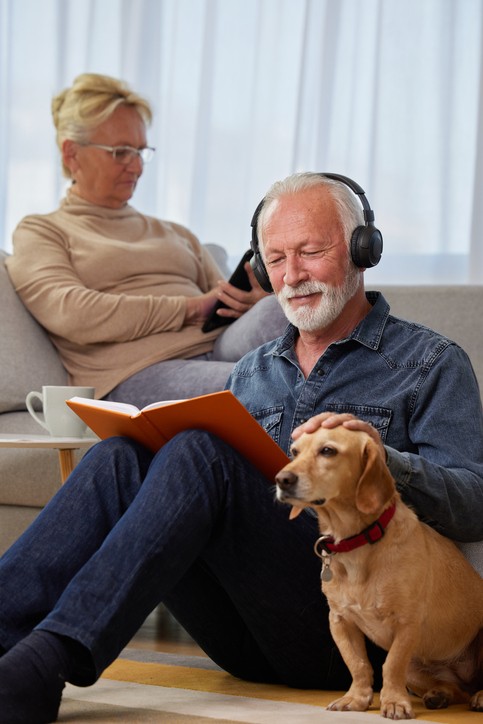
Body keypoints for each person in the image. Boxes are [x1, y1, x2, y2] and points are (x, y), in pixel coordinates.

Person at [1, 172, 483, 724]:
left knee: (200, 453)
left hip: (358, 632)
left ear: (361, 250)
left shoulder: (430, 364)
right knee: (119, 457)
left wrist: (384, 459)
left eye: (310, 252)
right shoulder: (253, 370)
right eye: (275, 259)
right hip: (247, 633)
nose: (292, 275)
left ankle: (45, 664)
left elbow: (475, 505)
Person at [5, 73, 285, 407]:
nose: (136, 167)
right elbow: (73, 314)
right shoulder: (42, 231)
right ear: (71, 154)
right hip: (137, 370)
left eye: (140, 151)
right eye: (120, 152)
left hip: (216, 342)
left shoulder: (174, 233)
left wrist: (248, 301)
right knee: (265, 382)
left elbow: (222, 298)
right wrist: (190, 308)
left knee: (280, 310)